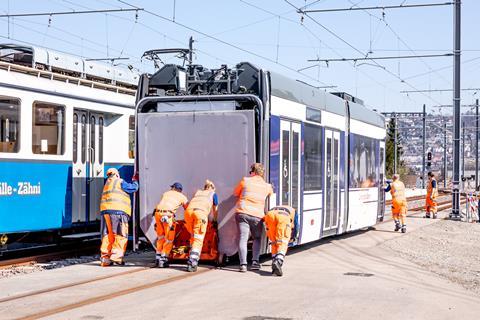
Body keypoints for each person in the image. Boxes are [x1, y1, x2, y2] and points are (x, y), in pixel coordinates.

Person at [233, 163, 273, 273]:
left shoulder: (245, 181)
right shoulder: (267, 186)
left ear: (253, 172)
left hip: (242, 213)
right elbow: (271, 196)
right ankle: (255, 262)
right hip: (257, 216)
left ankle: (243, 265)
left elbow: (235, 193)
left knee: (243, 238)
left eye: (251, 172)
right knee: (257, 238)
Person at [99, 168, 138, 266]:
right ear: (116, 174)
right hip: (118, 212)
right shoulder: (119, 181)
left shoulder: (107, 184)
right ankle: (116, 258)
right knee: (120, 234)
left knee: (108, 235)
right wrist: (135, 181)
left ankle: (105, 259)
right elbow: (133, 188)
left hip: (105, 212)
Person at [184, 180, 219, 272]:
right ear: (212, 188)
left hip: (188, 213)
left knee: (193, 236)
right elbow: (215, 209)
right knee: (198, 238)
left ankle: (191, 254)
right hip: (200, 213)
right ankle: (193, 262)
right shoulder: (213, 194)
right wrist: (215, 220)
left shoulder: (198, 192)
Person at [154, 182, 188, 268]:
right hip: (167, 216)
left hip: (157, 214)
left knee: (160, 236)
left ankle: (158, 258)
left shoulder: (166, 193)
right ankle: (163, 259)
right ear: (180, 190)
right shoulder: (182, 197)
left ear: (174, 188)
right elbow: (187, 209)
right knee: (169, 238)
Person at [264, 205, 296, 277]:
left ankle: (274, 269)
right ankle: (278, 261)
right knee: (283, 241)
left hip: (269, 215)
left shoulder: (278, 207)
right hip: (283, 217)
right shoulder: (293, 211)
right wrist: (293, 237)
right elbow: (294, 225)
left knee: (274, 242)